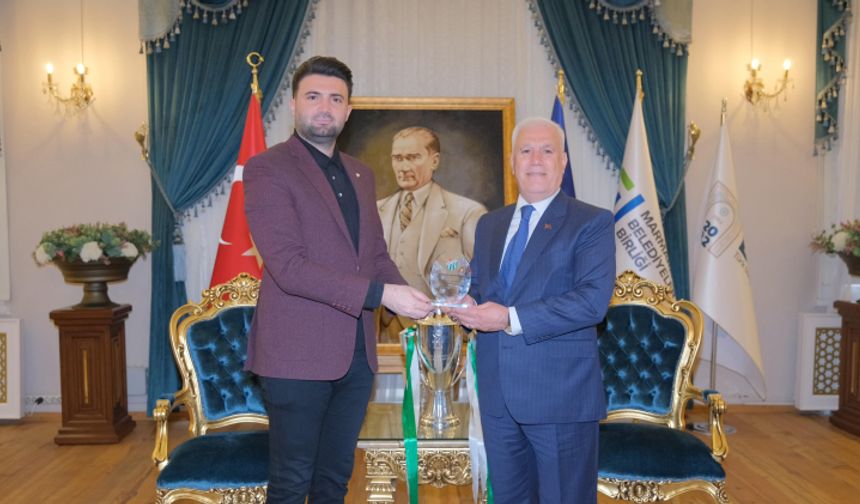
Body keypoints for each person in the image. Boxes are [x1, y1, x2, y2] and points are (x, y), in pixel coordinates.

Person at [243, 56, 432, 504]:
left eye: (335, 98)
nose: (324, 107)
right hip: (296, 356)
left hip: (357, 358)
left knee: (334, 480)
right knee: (292, 482)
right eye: (313, 97)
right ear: (294, 104)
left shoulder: (361, 174)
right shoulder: (267, 168)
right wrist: (382, 294)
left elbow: (375, 256)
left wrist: (420, 300)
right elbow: (288, 267)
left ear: (349, 110)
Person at [446, 117, 616, 503]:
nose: (535, 159)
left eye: (547, 150)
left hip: (559, 397)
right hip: (497, 398)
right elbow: (481, 289)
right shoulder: (490, 224)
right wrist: (464, 303)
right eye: (526, 150)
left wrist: (509, 318)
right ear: (512, 161)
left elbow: (592, 302)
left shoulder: (592, 222)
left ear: (563, 162)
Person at [376, 126, 487, 341]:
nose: (404, 166)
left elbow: (481, 279)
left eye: (413, 157)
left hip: (443, 336)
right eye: (398, 158)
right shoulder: (374, 210)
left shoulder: (467, 212)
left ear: (434, 161)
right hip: (384, 336)